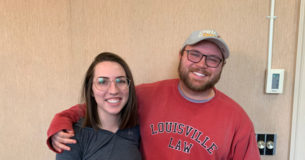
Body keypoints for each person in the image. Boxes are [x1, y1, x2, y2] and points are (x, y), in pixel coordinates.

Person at [47, 30, 260, 159]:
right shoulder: (147, 95)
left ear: (222, 65)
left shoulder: (237, 120)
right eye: (194, 54)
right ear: (181, 56)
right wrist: (60, 121)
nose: (202, 64)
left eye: (213, 59)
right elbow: (104, 102)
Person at [54, 52, 141, 160]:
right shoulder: (72, 138)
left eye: (120, 81)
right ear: (90, 90)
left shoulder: (137, 130)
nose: (113, 90)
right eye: (102, 82)